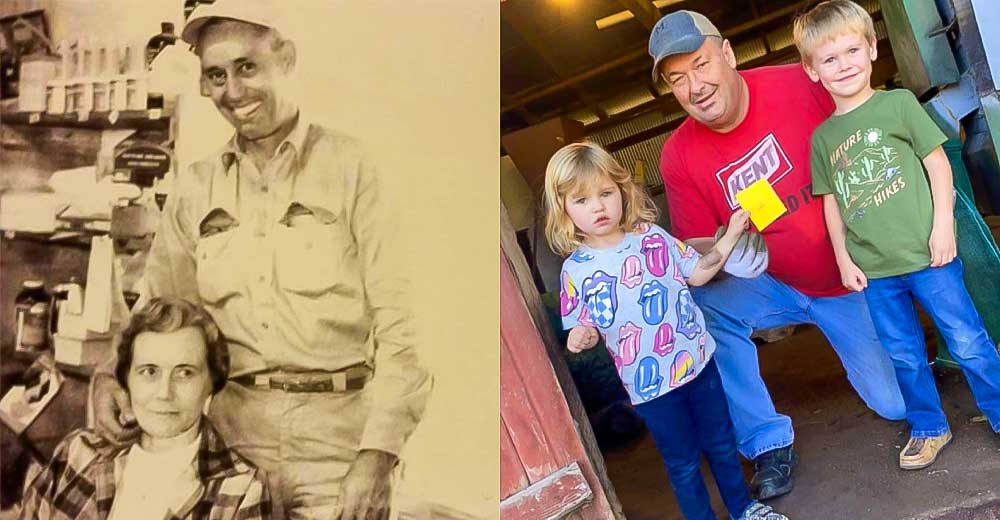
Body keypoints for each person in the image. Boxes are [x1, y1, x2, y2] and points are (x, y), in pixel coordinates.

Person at [90, 2, 432, 519]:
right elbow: (159, 310)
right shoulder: (196, 188)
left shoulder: (356, 167)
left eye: (247, 67)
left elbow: (405, 329)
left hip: (338, 448)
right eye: (216, 75)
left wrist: (378, 455)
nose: (232, 92)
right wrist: (110, 375)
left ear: (285, 58)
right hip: (230, 443)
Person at [648, 9, 907, 498]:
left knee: (896, 404)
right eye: (678, 80)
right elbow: (698, 247)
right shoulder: (679, 154)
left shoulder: (799, 84)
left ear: (726, 54)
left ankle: (905, 342)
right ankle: (766, 441)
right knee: (697, 306)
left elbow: (875, 133)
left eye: (701, 65)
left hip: (853, 276)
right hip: (776, 282)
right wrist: (722, 253)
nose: (695, 86)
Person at [795, 0, 1000, 470]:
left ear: (871, 49)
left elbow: (937, 164)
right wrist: (844, 259)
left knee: (968, 340)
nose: (843, 64)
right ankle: (930, 426)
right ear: (812, 71)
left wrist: (943, 225)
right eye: (829, 59)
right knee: (904, 355)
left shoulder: (898, 104)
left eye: (851, 50)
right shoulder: (823, 139)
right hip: (876, 270)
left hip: (931, 258)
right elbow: (832, 201)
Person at [544, 142, 789, 520]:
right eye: (582, 200)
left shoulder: (651, 238)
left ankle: (745, 508)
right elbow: (583, 325)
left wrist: (731, 234)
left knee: (722, 444)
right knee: (683, 463)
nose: (598, 207)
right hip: (651, 388)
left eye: (606, 193)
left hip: (698, 364)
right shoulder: (575, 270)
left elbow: (698, 271)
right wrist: (581, 336)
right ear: (564, 210)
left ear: (622, 191)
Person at [19, 298, 270, 520]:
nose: (164, 393)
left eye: (184, 373)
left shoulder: (241, 488)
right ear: (126, 379)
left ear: (212, 383)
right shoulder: (77, 452)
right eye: (149, 371)